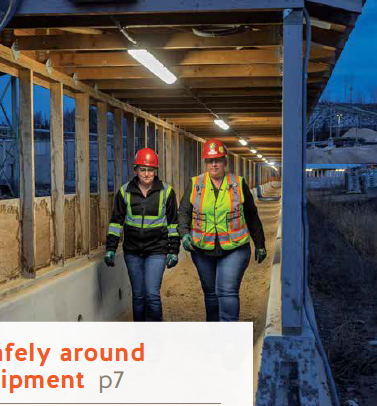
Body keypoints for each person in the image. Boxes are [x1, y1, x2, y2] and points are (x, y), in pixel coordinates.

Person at [178, 138, 267, 322]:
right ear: (205, 163)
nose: (214, 164)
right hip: (202, 249)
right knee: (210, 294)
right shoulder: (195, 184)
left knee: (226, 292)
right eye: (210, 161)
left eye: (218, 159)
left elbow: (251, 215)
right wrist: (184, 234)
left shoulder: (238, 183)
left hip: (234, 248)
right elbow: (184, 212)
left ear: (226, 161)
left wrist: (260, 243)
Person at [104, 147, 179, 322]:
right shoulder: (124, 192)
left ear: (156, 171)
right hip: (132, 251)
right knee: (138, 296)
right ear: (136, 170)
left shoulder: (167, 192)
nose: (146, 174)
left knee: (152, 295)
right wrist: (110, 249)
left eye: (150, 170)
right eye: (143, 169)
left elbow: (173, 224)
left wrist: (174, 251)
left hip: (157, 250)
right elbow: (116, 223)